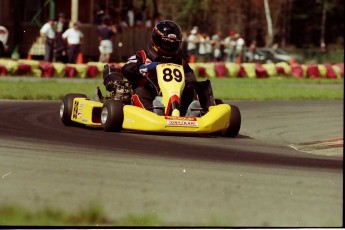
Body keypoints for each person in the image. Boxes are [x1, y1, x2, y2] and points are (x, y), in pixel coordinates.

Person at [118, 20, 203, 117]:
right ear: (157, 39)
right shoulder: (143, 55)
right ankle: (153, 113)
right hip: (150, 91)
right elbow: (126, 69)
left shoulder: (180, 61)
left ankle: (191, 113)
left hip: (174, 95)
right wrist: (143, 67)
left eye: (173, 43)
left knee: (191, 90)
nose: (170, 46)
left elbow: (192, 79)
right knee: (141, 91)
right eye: (167, 43)